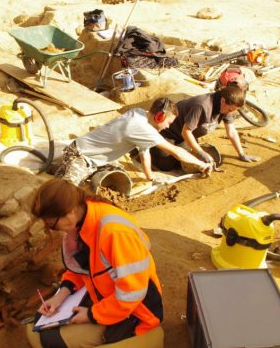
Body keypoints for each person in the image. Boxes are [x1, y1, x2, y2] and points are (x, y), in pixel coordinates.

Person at [28, 179, 164, 348]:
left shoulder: (114, 233)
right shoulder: (81, 218)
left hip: (137, 312)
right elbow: (79, 268)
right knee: (39, 325)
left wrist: (91, 315)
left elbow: (132, 293)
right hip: (106, 298)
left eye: (52, 225)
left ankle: (148, 338)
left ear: (68, 212)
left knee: (51, 341)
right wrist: (60, 296)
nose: (52, 229)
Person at [57, 97, 212, 187]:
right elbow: (176, 152)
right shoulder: (140, 127)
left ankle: (74, 171)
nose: (168, 127)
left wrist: (149, 176)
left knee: (119, 172)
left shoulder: (139, 113)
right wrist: (202, 164)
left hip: (95, 159)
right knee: (67, 190)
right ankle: (63, 172)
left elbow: (144, 152)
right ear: (160, 117)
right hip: (79, 155)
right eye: (168, 123)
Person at [151, 85, 259, 171]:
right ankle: (149, 148)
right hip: (167, 133)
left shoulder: (227, 107)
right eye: (230, 110)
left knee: (189, 161)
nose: (230, 113)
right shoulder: (201, 106)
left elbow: (231, 131)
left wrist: (241, 154)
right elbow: (186, 132)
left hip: (183, 138)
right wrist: (200, 152)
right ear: (223, 101)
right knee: (166, 165)